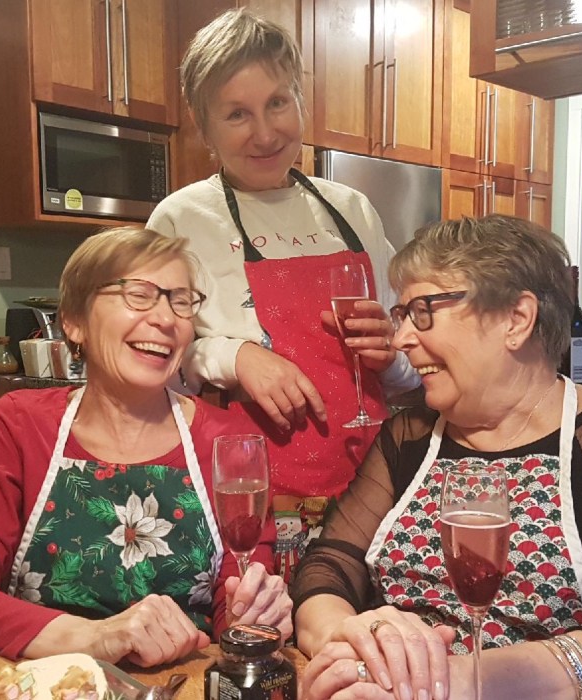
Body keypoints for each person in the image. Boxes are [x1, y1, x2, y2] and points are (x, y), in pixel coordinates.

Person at [292, 215, 582, 699]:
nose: (402, 339)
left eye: (423, 311)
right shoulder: (408, 435)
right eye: (401, 315)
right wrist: (355, 645)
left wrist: (465, 680)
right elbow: (329, 564)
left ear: (516, 319)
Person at [0, 227, 292, 666]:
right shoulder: (19, 425)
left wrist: (252, 613)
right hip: (56, 685)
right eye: (139, 295)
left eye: (180, 300)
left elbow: (237, 599)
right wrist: (93, 638)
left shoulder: (225, 440)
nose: (166, 318)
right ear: (74, 321)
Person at [147, 9, 419, 579]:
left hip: (371, 491)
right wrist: (236, 357)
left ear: (300, 100)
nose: (266, 133)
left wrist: (391, 358)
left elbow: (411, 368)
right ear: (204, 127)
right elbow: (156, 364)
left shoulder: (353, 210)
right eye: (237, 114)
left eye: (277, 103)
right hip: (249, 498)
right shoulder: (181, 219)